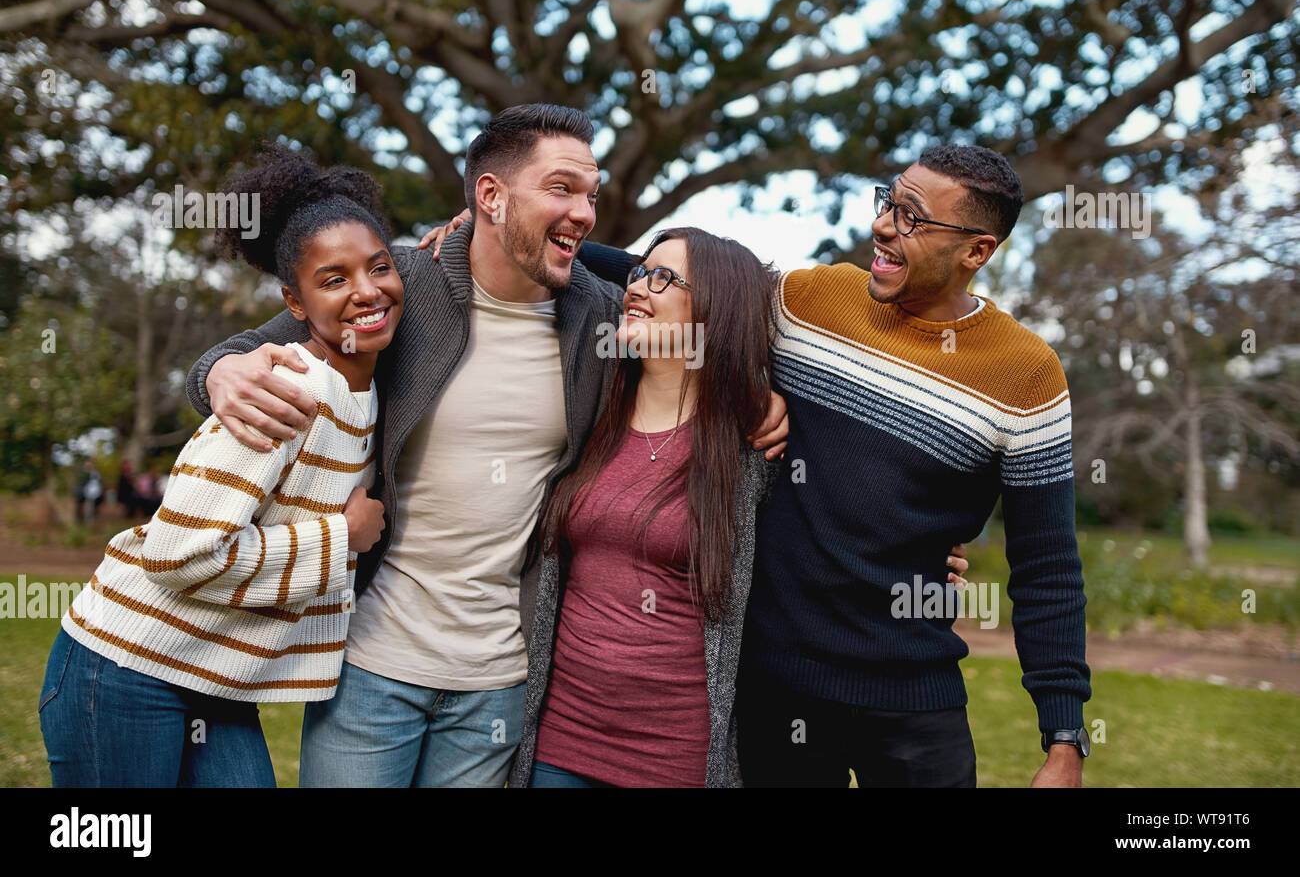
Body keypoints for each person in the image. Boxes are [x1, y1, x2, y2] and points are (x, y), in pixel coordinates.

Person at [182, 104, 791, 787]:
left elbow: (703, 298)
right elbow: (242, 350)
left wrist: (756, 389)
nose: (585, 211)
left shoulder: (603, 319)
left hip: (500, 683)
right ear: (490, 196)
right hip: (372, 664)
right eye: (561, 189)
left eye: (591, 194)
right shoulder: (401, 287)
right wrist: (220, 371)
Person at [570, 144, 1092, 787]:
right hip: (775, 691)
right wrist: (504, 238)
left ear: (976, 252)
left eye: (912, 217)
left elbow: (1047, 566)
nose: (882, 225)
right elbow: (683, 287)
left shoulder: (1026, 373)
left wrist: (1063, 739)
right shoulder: (813, 300)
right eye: (889, 201)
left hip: (914, 701)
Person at [38, 146, 398, 786]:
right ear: (294, 301)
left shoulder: (367, 396)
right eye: (334, 279)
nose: (367, 291)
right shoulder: (283, 393)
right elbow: (177, 554)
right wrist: (343, 538)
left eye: (379, 267)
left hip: (215, 678)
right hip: (125, 665)